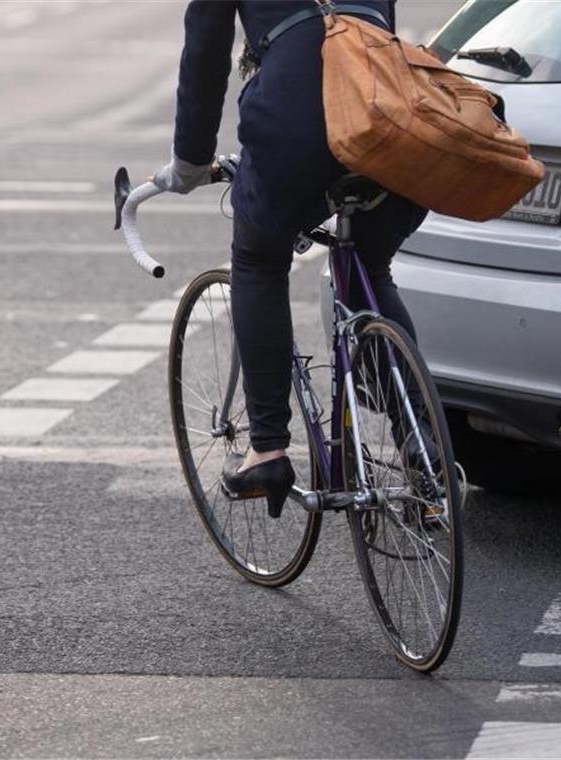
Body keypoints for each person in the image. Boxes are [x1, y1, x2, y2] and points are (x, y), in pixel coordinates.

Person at [153, 0, 428, 516]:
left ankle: (269, 449)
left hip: (297, 106)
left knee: (259, 259)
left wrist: (188, 162)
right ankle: (424, 445)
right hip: (391, 104)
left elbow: (207, 48)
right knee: (369, 269)